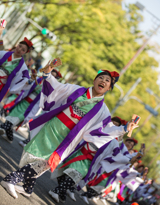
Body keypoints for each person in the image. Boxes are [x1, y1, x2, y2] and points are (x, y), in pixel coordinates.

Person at [1, 68, 130, 199]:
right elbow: (57, 88)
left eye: (107, 80)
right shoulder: (77, 90)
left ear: (109, 87)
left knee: (46, 163)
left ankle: (11, 179)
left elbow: (104, 130)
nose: (103, 81)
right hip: (52, 127)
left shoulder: (103, 111)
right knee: (35, 155)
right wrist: (48, 75)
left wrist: (123, 129)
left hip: (66, 139)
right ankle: (25, 186)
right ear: (94, 80)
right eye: (101, 78)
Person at [0, 37, 34, 102]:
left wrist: (31, 79)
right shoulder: (3, 53)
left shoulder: (23, 67)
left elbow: (26, 79)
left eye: (23, 50)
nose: (19, 49)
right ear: (17, 45)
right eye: (19, 46)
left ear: (25, 52)